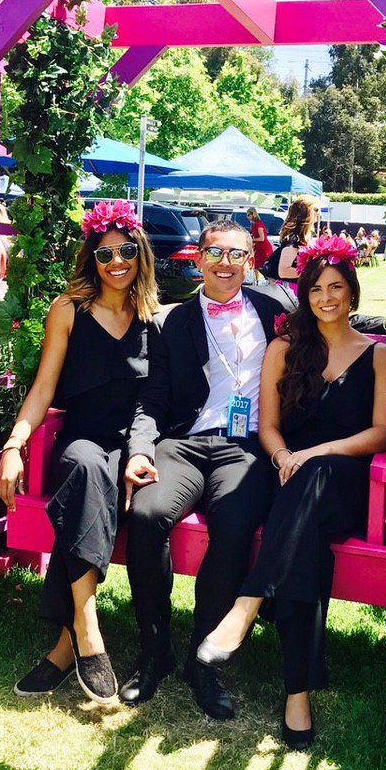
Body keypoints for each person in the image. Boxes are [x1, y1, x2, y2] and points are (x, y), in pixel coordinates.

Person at [196, 234, 386, 748]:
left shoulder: (376, 356)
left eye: (336, 287)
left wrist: (316, 454)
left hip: (342, 481)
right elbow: (267, 425)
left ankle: (245, 605)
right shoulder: (285, 348)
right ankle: (297, 694)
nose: (326, 298)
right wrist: (286, 454)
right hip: (288, 481)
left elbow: (380, 433)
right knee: (302, 550)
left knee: (314, 482)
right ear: (304, 296)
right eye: (315, 290)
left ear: (352, 291)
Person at [120, 220, 295, 719]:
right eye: (215, 253)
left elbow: (330, 328)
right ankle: (154, 651)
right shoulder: (170, 321)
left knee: (236, 525)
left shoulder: (274, 308)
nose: (225, 263)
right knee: (148, 515)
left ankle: (204, 660)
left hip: (246, 449)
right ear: (197, 259)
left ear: (251, 261)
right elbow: (151, 397)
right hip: (185, 442)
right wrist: (140, 449)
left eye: (236, 255)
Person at [0, 199, 159, 706]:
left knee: (94, 490)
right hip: (82, 441)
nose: (116, 261)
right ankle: (88, 627)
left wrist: (139, 451)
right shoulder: (69, 310)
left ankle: (65, 648)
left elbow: (152, 402)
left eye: (126, 250)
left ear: (140, 254)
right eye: (104, 252)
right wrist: (14, 444)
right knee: (87, 470)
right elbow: (44, 389)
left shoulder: (152, 316)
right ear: (91, 257)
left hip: (128, 446)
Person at [275, 194, 320, 294]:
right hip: (291, 291)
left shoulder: (301, 238)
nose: (318, 213)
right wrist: (311, 271)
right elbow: (283, 271)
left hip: (299, 288)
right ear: (307, 213)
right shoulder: (293, 239)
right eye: (315, 210)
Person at [247, 207, 274, 281]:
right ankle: (257, 281)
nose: (248, 217)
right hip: (258, 249)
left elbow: (262, 238)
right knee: (255, 266)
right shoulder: (254, 224)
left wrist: (252, 239)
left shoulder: (259, 224)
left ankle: (269, 281)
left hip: (264, 249)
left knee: (263, 267)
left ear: (253, 214)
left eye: (249, 214)